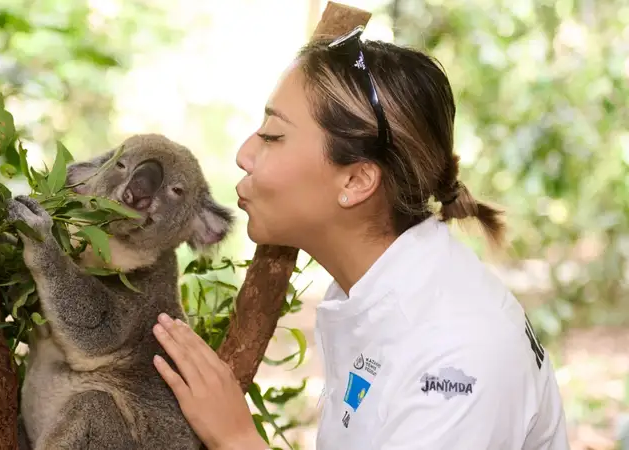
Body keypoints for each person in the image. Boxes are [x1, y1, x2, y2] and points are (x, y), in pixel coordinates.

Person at [150, 26, 570, 450]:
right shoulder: (373, 289)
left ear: (356, 180)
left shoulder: (455, 355)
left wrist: (237, 438)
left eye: (273, 136)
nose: (244, 154)